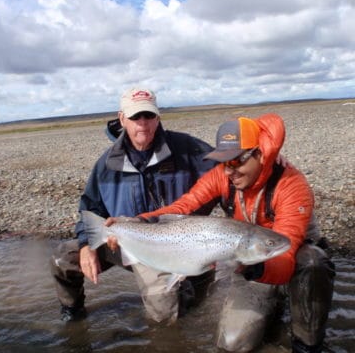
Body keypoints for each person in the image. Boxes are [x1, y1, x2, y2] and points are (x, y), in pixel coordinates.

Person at [135, 114, 335, 352]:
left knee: (313, 262)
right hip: (254, 260)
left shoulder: (291, 185)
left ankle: (307, 344)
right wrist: (139, 221)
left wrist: (255, 267)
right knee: (232, 343)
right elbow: (184, 206)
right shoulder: (223, 174)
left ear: (260, 154)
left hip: (287, 258)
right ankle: (271, 305)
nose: (230, 171)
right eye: (224, 161)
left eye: (236, 161)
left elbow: (286, 252)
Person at [50, 87, 217, 323]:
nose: (143, 123)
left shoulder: (188, 149)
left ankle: (183, 301)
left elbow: (231, 167)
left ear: (158, 117)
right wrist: (87, 244)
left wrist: (268, 154)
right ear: (122, 119)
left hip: (174, 246)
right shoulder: (106, 164)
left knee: (165, 315)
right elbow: (89, 208)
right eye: (135, 116)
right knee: (62, 257)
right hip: (121, 241)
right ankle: (73, 314)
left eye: (149, 115)